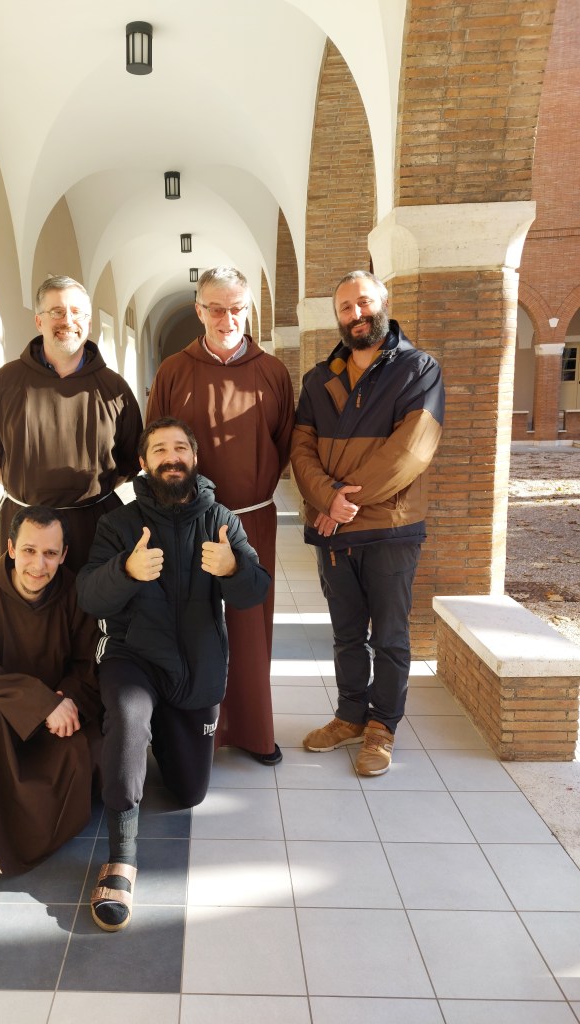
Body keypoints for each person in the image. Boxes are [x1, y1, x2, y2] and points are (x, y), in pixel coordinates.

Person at [76, 417, 271, 931]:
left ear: (194, 458)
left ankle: (155, 740)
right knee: (127, 715)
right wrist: (125, 571)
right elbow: (87, 595)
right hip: (132, 658)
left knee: (188, 792)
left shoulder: (222, 520)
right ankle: (120, 856)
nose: (171, 456)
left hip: (196, 671)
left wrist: (233, 569)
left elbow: (255, 593)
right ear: (143, 463)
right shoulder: (119, 524)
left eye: (180, 447)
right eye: (159, 449)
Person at [291, 270, 444, 776]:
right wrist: (325, 497)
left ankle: (382, 728)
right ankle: (350, 716)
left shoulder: (418, 369)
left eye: (363, 303)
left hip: (390, 530)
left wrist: (341, 504)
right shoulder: (318, 379)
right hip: (335, 529)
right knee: (346, 633)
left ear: (383, 303)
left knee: (392, 637)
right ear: (337, 318)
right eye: (345, 308)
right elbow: (301, 449)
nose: (356, 314)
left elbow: (410, 451)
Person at [146, 266, 294, 766]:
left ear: (247, 308)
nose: (226, 317)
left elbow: (283, 442)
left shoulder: (271, 371)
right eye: (215, 307)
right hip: (186, 519)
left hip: (251, 518)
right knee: (192, 623)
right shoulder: (173, 370)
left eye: (235, 307)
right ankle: (194, 732)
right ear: (198, 310)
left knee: (251, 625)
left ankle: (253, 731)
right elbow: (154, 443)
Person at [0, 505, 102, 875]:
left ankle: (26, 834)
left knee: (81, 746)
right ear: (11, 548)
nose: (38, 565)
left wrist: (62, 700)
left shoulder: (76, 593)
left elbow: (86, 664)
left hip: (59, 711)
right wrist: (40, 703)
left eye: (50, 554)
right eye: (29, 551)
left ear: (63, 555)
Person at [0, 275, 143, 572]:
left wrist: (91, 495)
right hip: (27, 527)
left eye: (76, 312)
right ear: (39, 321)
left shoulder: (114, 388)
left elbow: (130, 460)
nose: (67, 320)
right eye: (57, 312)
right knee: (28, 617)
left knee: (94, 614)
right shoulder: (3, 384)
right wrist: (30, 493)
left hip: (96, 527)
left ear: (88, 323)